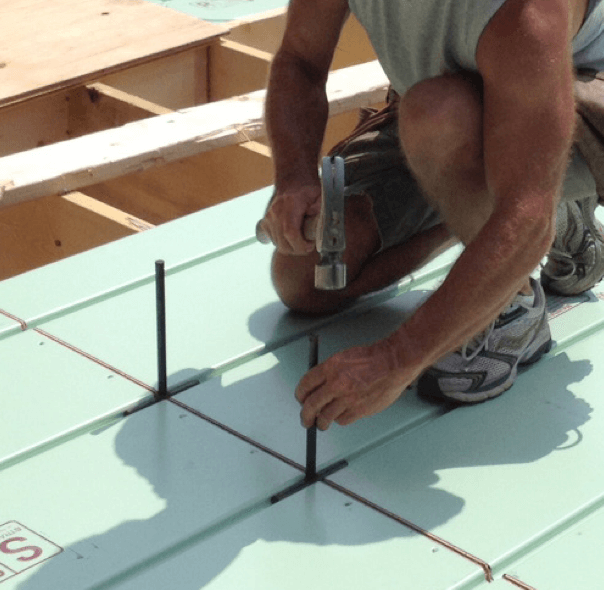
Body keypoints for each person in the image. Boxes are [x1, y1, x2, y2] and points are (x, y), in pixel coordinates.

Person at [256, 0, 604, 430]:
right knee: (306, 278)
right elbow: (300, 63)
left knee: (438, 113)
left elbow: (526, 216)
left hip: (571, 95)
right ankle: (484, 214)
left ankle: (513, 310)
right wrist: (294, 176)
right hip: (442, 96)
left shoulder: (528, 12)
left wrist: (398, 358)